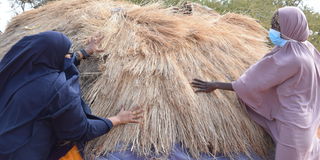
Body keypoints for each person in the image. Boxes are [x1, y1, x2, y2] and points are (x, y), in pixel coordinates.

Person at [191, 7, 320, 160]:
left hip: (293, 126)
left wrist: (216, 84)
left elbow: (252, 83)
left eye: (277, 27)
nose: (272, 30)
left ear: (290, 27)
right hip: (308, 119)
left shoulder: (292, 57)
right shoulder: (308, 49)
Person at [0, 31, 144, 160]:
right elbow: (81, 130)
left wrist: (84, 52)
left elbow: (61, 61)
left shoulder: (16, 71)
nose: (69, 56)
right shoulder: (58, 88)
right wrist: (117, 119)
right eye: (66, 53)